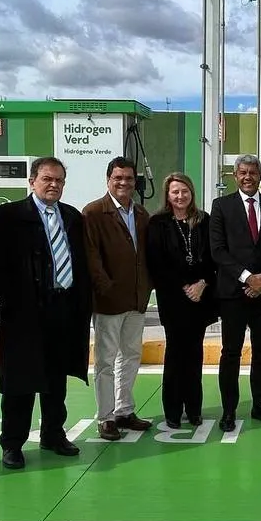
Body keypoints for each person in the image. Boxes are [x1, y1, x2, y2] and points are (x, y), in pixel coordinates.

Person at [0, 157, 93, 469]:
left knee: (56, 379)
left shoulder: (72, 217)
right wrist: (12, 298)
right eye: (47, 179)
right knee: (19, 383)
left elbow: (79, 262)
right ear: (32, 181)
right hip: (24, 315)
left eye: (59, 180)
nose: (53, 185)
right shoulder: (9, 216)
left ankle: (53, 433)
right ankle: (12, 443)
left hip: (63, 310)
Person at [208, 154, 261, 432]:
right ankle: (229, 410)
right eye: (242, 172)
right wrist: (247, 278)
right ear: (235, 175)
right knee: (231, 353)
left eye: (253, 172)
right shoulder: (221, 206)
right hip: (233, 293)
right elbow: (218, 250)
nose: (248, 177)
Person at [82, 157, 153, 441]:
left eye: (129, 178)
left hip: (137, 298)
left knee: (132, 356)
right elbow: (91, 257)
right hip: (110, 301)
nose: (124, 183)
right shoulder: (94, 212)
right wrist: (105, 288)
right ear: (108, 180)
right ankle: (106, 416)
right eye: (118, 178)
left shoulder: (141, 215)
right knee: (106, 361)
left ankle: (125, 410)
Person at [147, 172, 218, 429]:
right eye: (175, 192)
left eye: (184, 191)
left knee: (194, 354)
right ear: (168, 195)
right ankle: (173, 411)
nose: (180, 196)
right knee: (175, 354)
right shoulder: (158, 223)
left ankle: (194, 409)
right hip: (173, 299)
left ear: (192, 193)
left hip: (199, 299)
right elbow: (156, 264)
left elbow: (213, 257)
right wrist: (182, 287)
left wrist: (202, 283)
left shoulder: (204, 220)